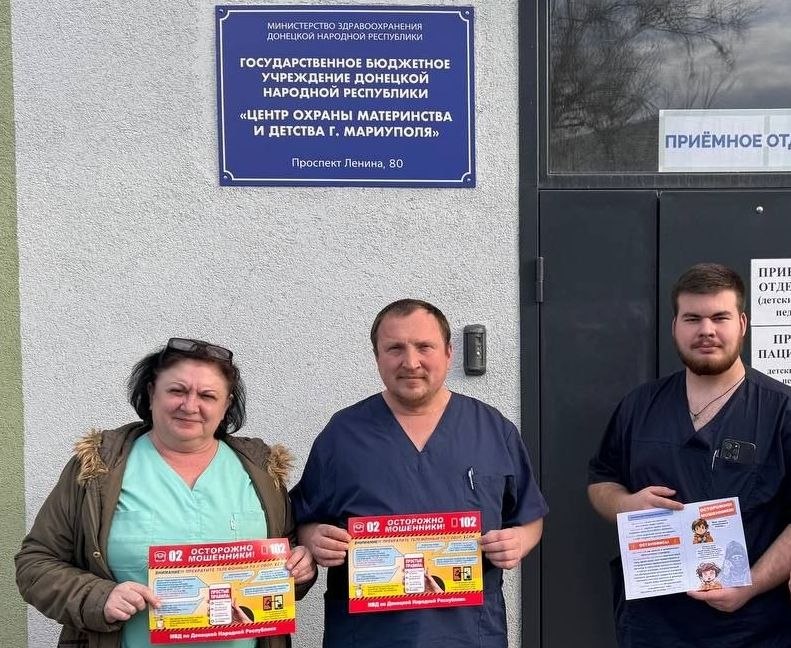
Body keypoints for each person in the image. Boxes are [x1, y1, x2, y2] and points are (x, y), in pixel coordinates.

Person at [16, 338, 316, 648]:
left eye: (207, 395)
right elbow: (35, 563)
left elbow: (286, 558)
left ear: (226, 405)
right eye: (177, 391)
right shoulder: (99, 468)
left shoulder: (261, 471)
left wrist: (301, 567)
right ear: (151, 393)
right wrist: (99, 598)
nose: (190, 406)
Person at [290, 299, 548, 648]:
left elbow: (530, 516)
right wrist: (314, 538)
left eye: (424, 347)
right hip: (368, 635)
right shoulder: (343, 434)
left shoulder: (491, 429)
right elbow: (302, 518)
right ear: (377, 357)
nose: (410, 362)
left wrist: (518, 541)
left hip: (468, 633)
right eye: (395, 348)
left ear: (448, 353)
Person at [588, 263, 791, 647]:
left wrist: (750, 585)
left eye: (720, 317)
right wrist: (625, 504)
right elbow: (601, 480)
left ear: (742, 324)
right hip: (652, 625)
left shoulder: (781, 410)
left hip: (751, 627)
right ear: (675, 326)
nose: (706, 330)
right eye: (693, 318)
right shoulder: (640, 406)